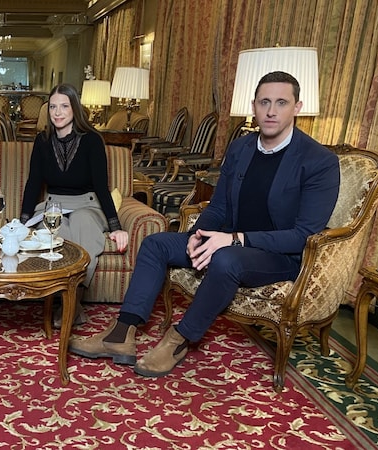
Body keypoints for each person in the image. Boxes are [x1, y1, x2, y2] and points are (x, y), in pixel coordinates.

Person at [70, 71, 340, 377]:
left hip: (278, 256)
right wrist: (197, 235)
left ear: (298, 106)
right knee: (156, 243)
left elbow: (303, 236)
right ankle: (120, 334)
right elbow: (219, 207)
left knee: (226, 259)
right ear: (253, 106)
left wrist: (235, 239)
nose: (271, 110)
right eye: (264, 102)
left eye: (281, 102)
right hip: (226, 241)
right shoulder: (241, 149)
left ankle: (180, 338)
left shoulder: (318, 161)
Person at [19, 83, 130, 327]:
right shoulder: (42, 140)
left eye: (64, 106)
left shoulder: (92, 140)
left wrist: (115, 226)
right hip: (53, 207)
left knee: (81, 221)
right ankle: (71, 305)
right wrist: (23, 222)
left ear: (75, 109)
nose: (58, 112)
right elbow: (33, 183)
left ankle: (74, 298)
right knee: (60, 231)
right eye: (53, 107)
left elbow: (102, 186)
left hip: (87, 205)